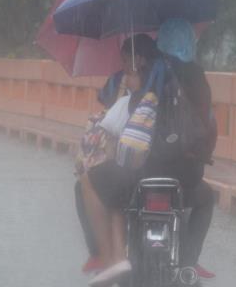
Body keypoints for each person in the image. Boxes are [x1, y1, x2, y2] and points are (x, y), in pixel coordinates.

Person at [74, 35, 161, 284]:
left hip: (137, 169)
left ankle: (106, 256)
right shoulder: (169, 80)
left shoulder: (140, 94)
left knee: (89, 181)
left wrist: (131, 89)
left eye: (127, 61)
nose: (124, 67)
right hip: (168, 169)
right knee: (113, 191)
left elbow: (120, 131)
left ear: (139, 61)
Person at [147, 18, 216, 278]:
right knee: (206, 198)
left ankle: (115, 256)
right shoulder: (197, 77)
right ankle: (189, 262)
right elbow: (208, 127)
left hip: (147, 169)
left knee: (129, 199)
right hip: (186, 174)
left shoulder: (148, 71)